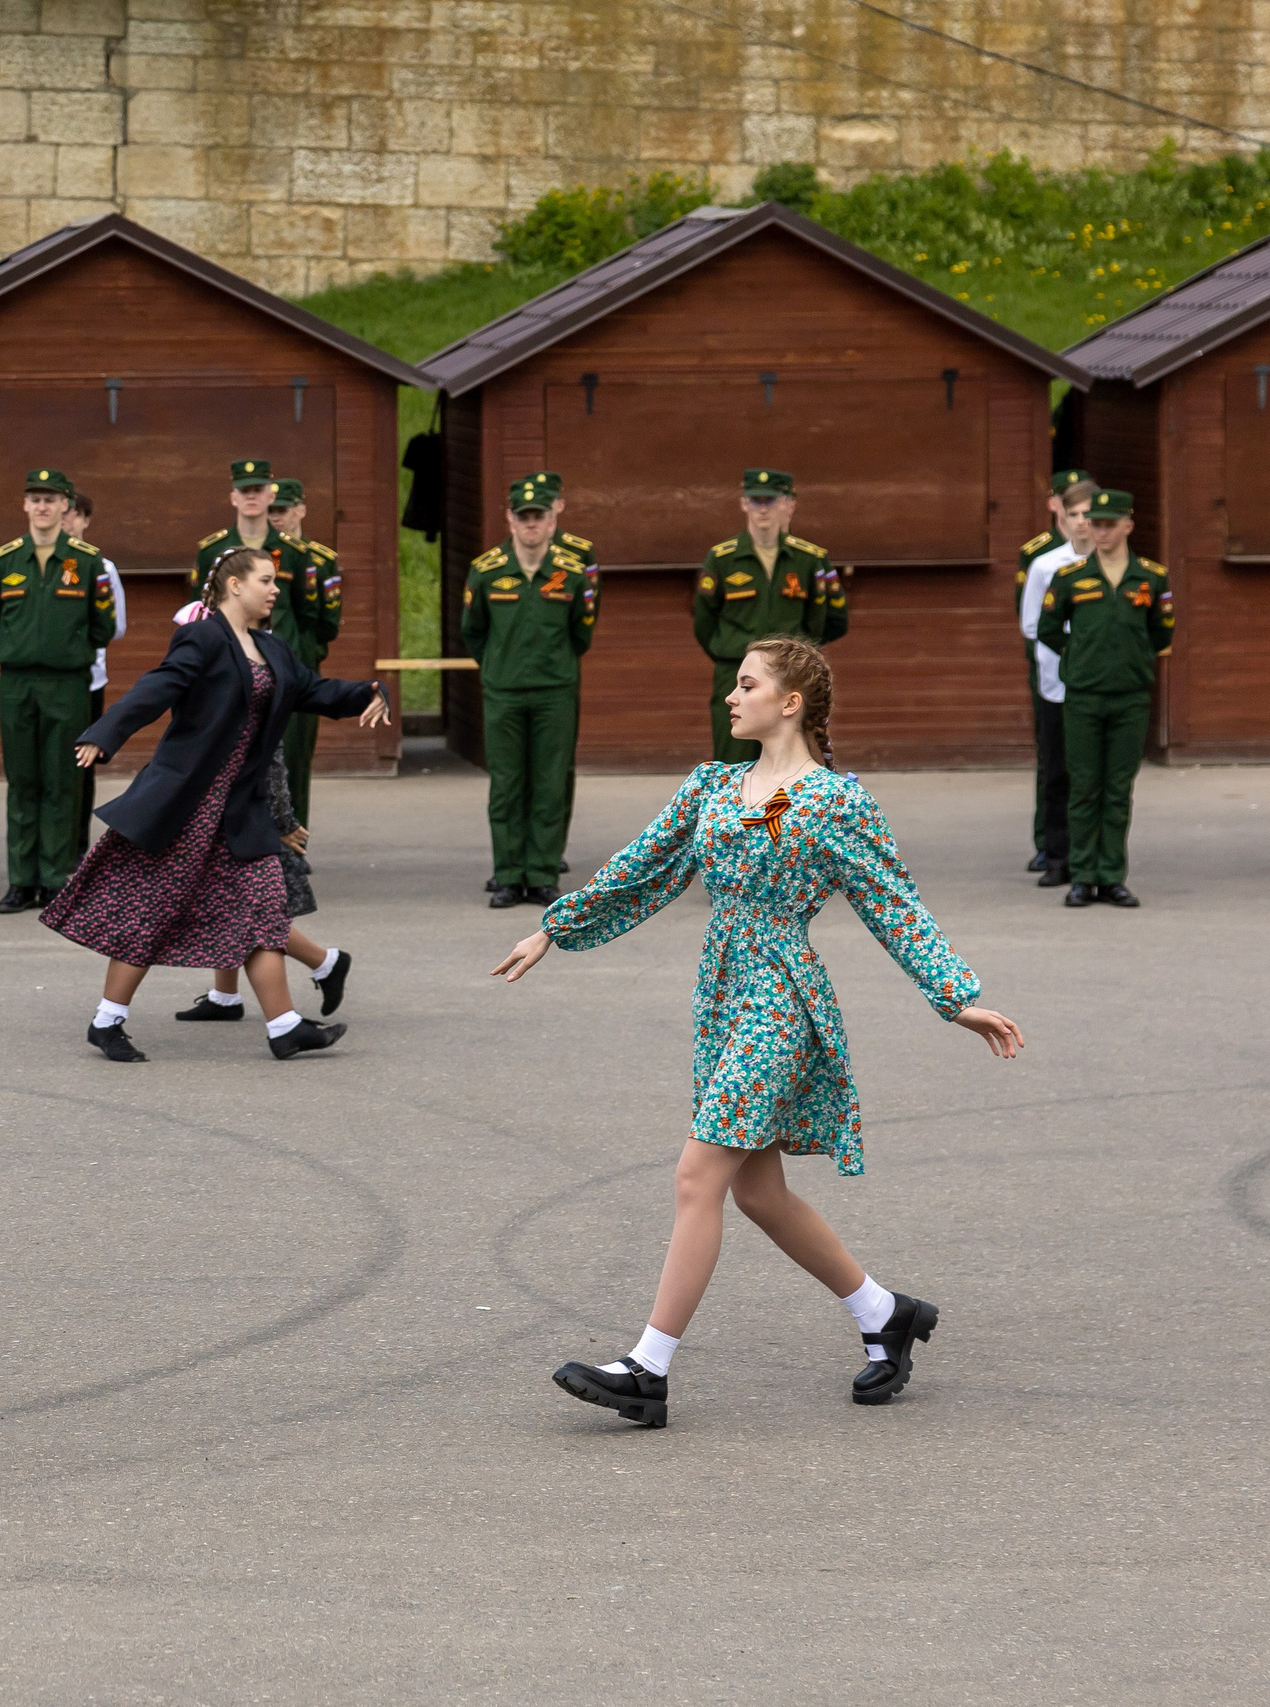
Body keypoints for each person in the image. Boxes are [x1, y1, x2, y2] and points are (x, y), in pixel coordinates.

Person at [496, 634, 1022, 1428]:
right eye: (733, 685)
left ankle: (648, 1368)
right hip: (723, 998)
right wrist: (555, 929)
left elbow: (895, 902)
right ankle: (885, 1313)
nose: (731, 697)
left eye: (746, 684)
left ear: (792, 702)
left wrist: (955, 996)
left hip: (783, 998)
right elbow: (640, 866)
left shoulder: (835, 801)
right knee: (759, 1192)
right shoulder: (715, 785)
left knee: (696, 1175)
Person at [44, 547, 392, 1062]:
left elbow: (313, 689)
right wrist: (106, 732)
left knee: (262, 914)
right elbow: (158, 687)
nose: (276, 590)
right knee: (151, 912)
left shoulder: (272, 648)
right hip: (186, 808)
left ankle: (285, 1026)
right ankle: (106, 1021)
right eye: (267, 581)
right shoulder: (203, 637)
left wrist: (368, 692)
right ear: (234, 586)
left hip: (239, 812)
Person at [463, 473, 599, 908]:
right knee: (506, 784)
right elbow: (473, 632)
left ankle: (541, 874)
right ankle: (507, 875)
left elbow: (582, 632)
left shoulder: (573, 572)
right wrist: (500, 666)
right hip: (503, 691)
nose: (531, 525)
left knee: (549, 782)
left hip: (554, 691)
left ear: (551, 518)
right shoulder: (484, 571)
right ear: (509, 519)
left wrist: (552, 665)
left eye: (538, 516)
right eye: (523, 517)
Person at [0, 469, 116, 914]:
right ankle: (21, 880)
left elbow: (102, 625)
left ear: (66, 507)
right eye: (34, 499)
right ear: (24, 506)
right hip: (17, 682)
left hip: (66, 683)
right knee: (23, 780)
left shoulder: (88, 561)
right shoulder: (4, 561)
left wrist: (66, 651)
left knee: (63, 780)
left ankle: (57, 878)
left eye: (51, 500)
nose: (42, 507)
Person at [1036, 487, 1173, 910]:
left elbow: (1161, 631)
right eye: (1095, 523)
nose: (1101, 531)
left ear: (1128, 526)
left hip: (1130, 697)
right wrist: (1082, 661)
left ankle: (1112, 876)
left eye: (1109, 524)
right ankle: (1082, 877)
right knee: (1084, 788)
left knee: (1117, 789)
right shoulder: (1071, 578)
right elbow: (1048, 629)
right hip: (1084, 697)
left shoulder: (1151, 577)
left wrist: (1129, 662)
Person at [177, 742, 353, 1025]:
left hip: (244, 819)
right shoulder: (223, 699)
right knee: (224, 903)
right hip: (221, 812)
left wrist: (282, 821)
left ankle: (324, 962)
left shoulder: (252, 700)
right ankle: (225, 996)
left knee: (247, 911)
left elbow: (272, 764)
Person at [193, 461, 326, 822]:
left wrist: (299, 658)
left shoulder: (295, 553)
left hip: (282, 672)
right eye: (244, 491)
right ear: (233, 497)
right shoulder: (213, 551)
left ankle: (292, 847)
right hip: (230, 673)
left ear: (270, 496)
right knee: (230, 761)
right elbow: (199, 611)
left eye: (258, 490)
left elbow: (311, 616)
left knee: (292, 761)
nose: (251, 497)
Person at [694, 469, 846, 763]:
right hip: (734, 671)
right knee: (733, 759)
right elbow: (704, 621)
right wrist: (729, 651)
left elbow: (827, 618)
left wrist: (802, 654)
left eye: (771, 500)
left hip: (790, 675)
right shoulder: (722, 558)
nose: (762, 508)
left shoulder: (809, 559)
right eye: (755, 500)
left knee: (792, 756)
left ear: (789, 504)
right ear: (743, 503)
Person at [1017, 476, 1095, 889]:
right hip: (1057, 681)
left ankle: (1093, 858)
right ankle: (1055, 852)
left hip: (1100, 683)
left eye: (1089, 515)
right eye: (1075, 514)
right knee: (1057, 769)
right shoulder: (1046, 565)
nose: (1083, 523)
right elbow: (1033, 625)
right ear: (1061, 516)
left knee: (1094, 774)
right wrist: (1075, 654)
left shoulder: (1114, 565)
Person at [266, 477, 344, 826]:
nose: (275, 518)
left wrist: (307, 651)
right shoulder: (258, 555)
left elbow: (327, 620)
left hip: (301, 666)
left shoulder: (320, 559)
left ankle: (295, 840)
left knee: (296, 754)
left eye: (282, 511)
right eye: (271, 511)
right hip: (261, 668)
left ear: (301, 510)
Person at [64, 489, 127, 859]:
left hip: (89, 678)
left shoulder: (102, 568)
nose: (66, 519)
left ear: (86, 520)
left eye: (75, 513)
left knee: (80, 766)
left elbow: (116, 626)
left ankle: (74, 845)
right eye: (64, 512)